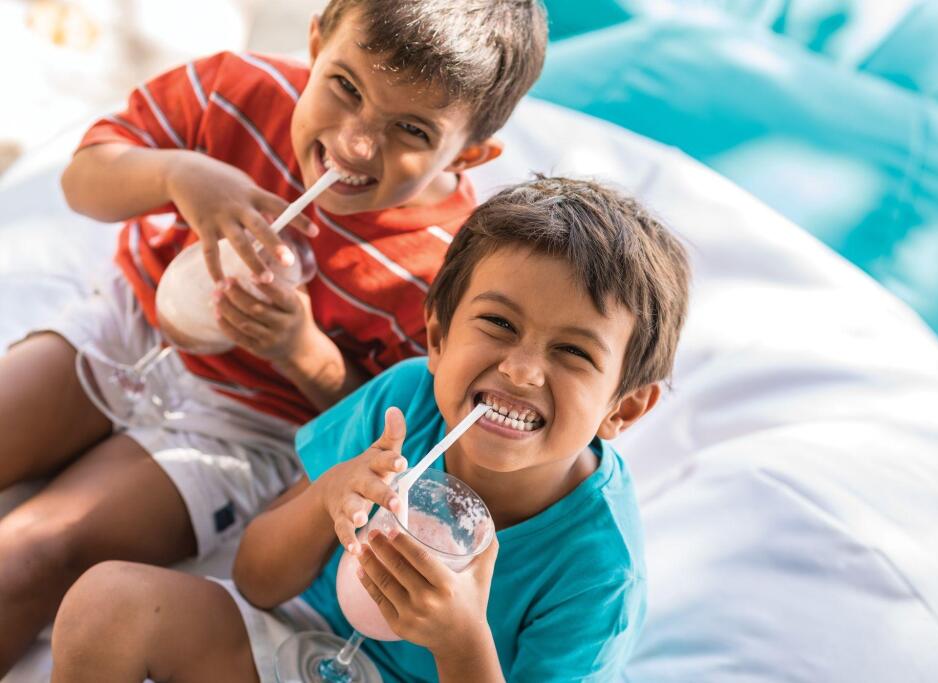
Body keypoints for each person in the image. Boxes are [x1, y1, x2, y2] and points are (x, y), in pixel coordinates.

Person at [0, 0, 548, 674]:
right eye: (345, 86)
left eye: (410, 129)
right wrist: (176, 174)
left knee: (32, 555)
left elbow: (392, 427)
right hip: (128, 324)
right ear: (315, 43)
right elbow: (83, 180)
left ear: (468, 154)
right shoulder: (235, 91)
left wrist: (300, 350)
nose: (355, 144)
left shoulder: (453, 273)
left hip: (246, 427)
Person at [50, 176, 692, 682]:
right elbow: (257, 580)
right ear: (437, 338)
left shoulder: (599, 569)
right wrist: (329, 496)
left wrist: (460, 639)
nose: (520, 370)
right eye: (499, 324)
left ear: (623, 409)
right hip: (297, 640)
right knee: (108, 604)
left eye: (573, 353)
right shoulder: (404, 404)